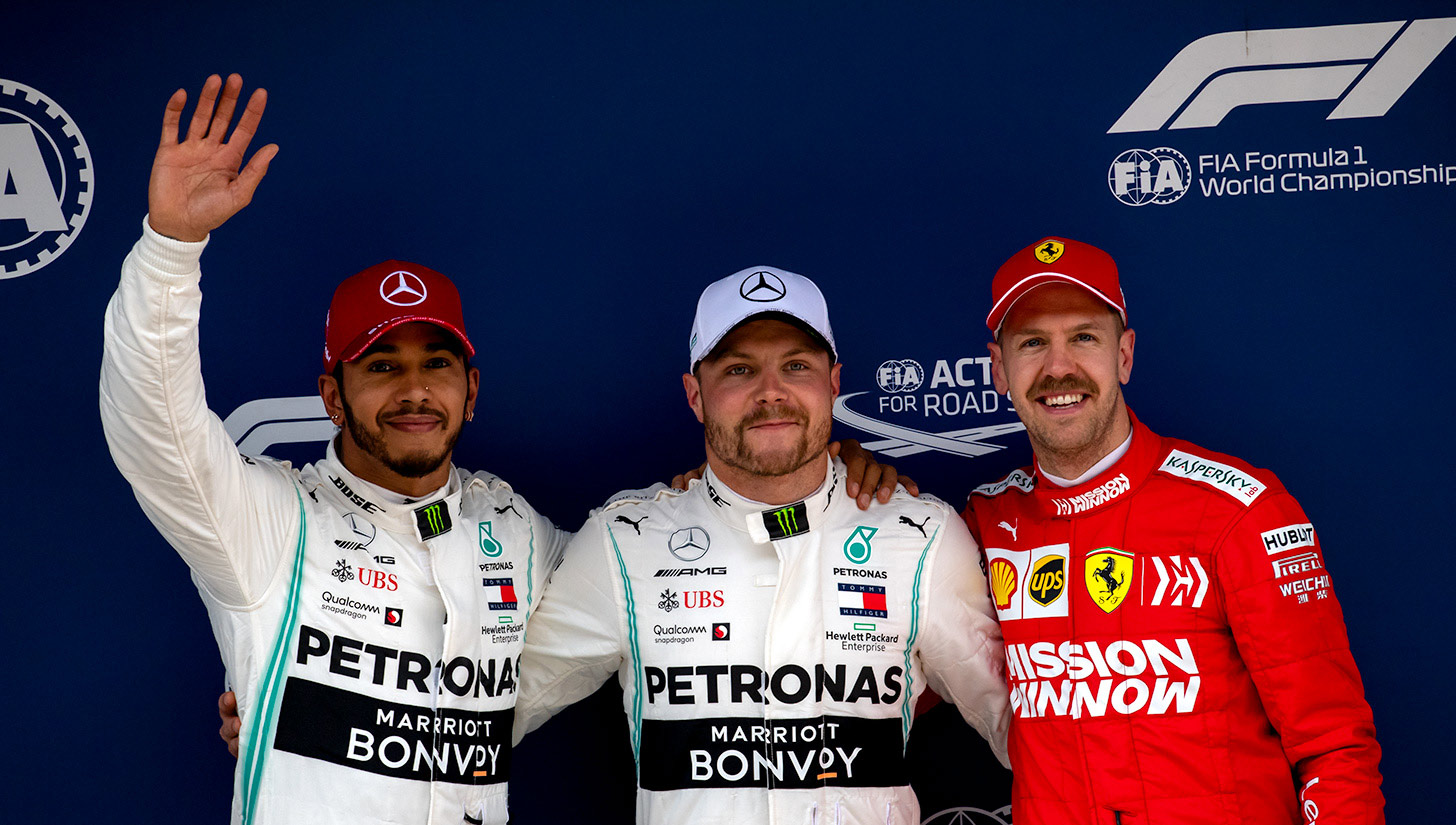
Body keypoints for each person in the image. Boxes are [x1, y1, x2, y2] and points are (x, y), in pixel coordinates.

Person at [103, 76, 906, 824]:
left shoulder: (515, 532)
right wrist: (171, 249)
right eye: (382, 367)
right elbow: (155, 422)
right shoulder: (268, 521)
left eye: (436, 365)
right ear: (331, 394)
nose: (414, 390)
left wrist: (810, 477)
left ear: (472, 389)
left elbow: (658, 563)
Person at [514, 265, 1010, 824]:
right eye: (739, 370)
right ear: (695, 394)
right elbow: (477, 713)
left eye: (796, 365)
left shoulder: (921, 538)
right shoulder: (625, 544)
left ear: (834, 383)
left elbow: (1031, 731)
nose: (770, 392)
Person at [962, 238, 1384, 824]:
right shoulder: (982, 526)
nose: (1059, 367)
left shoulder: (1238, 509)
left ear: (1125, 355)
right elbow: (886, 673)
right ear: (999, 369)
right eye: (1033, 343)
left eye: (1084, 336)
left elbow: (1334, 747)